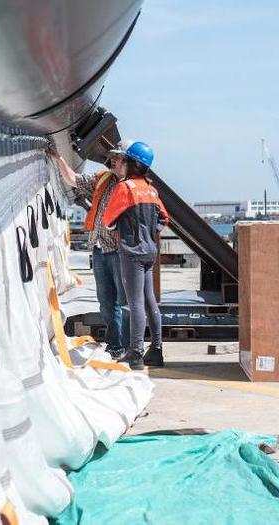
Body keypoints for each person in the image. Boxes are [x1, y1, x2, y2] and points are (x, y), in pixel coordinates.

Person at [52, 149, 126, 359]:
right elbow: (74, 179)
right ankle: (115, 346)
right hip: (100, 250)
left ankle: (125, 346)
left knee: (122, 301)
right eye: (112, 158)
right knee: (105, 301)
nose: (113, 161)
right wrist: (58, 158)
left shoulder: (131, 187)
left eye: (118, 158)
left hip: (119, 252)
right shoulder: (102, 179)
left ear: (129, 162)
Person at [102, 141, 168, 370]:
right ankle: (156, 350)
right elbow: (164, 218)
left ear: (133, 163)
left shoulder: (125, 187)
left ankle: (136, 353)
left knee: (135, 303)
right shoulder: (151, 190)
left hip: (131, 253)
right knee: (150, 301)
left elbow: (108, 221)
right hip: (150, 251)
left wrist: (123, 230)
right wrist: (151, 233)